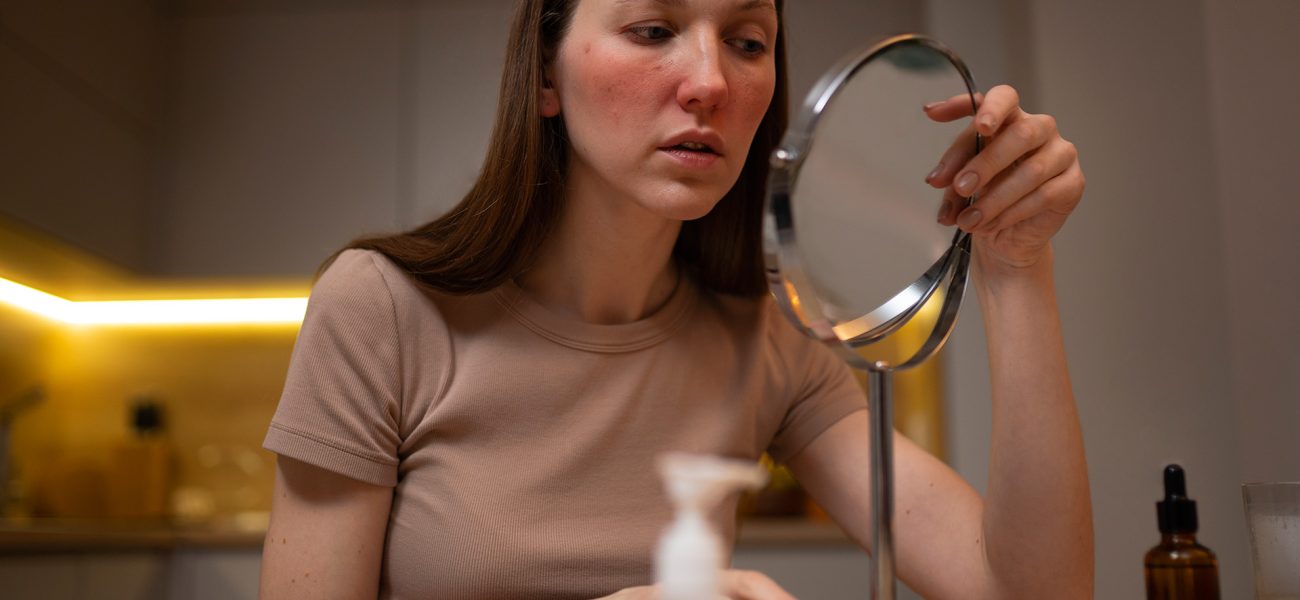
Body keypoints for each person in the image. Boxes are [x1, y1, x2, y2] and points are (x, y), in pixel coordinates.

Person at [258, 0, 1092, 598]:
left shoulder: (766, 337)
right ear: (545, 77)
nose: (710, 82)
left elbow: (1026, 591)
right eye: (654, 30)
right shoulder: (381, 310)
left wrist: (1018, 270)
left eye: (747, 41)